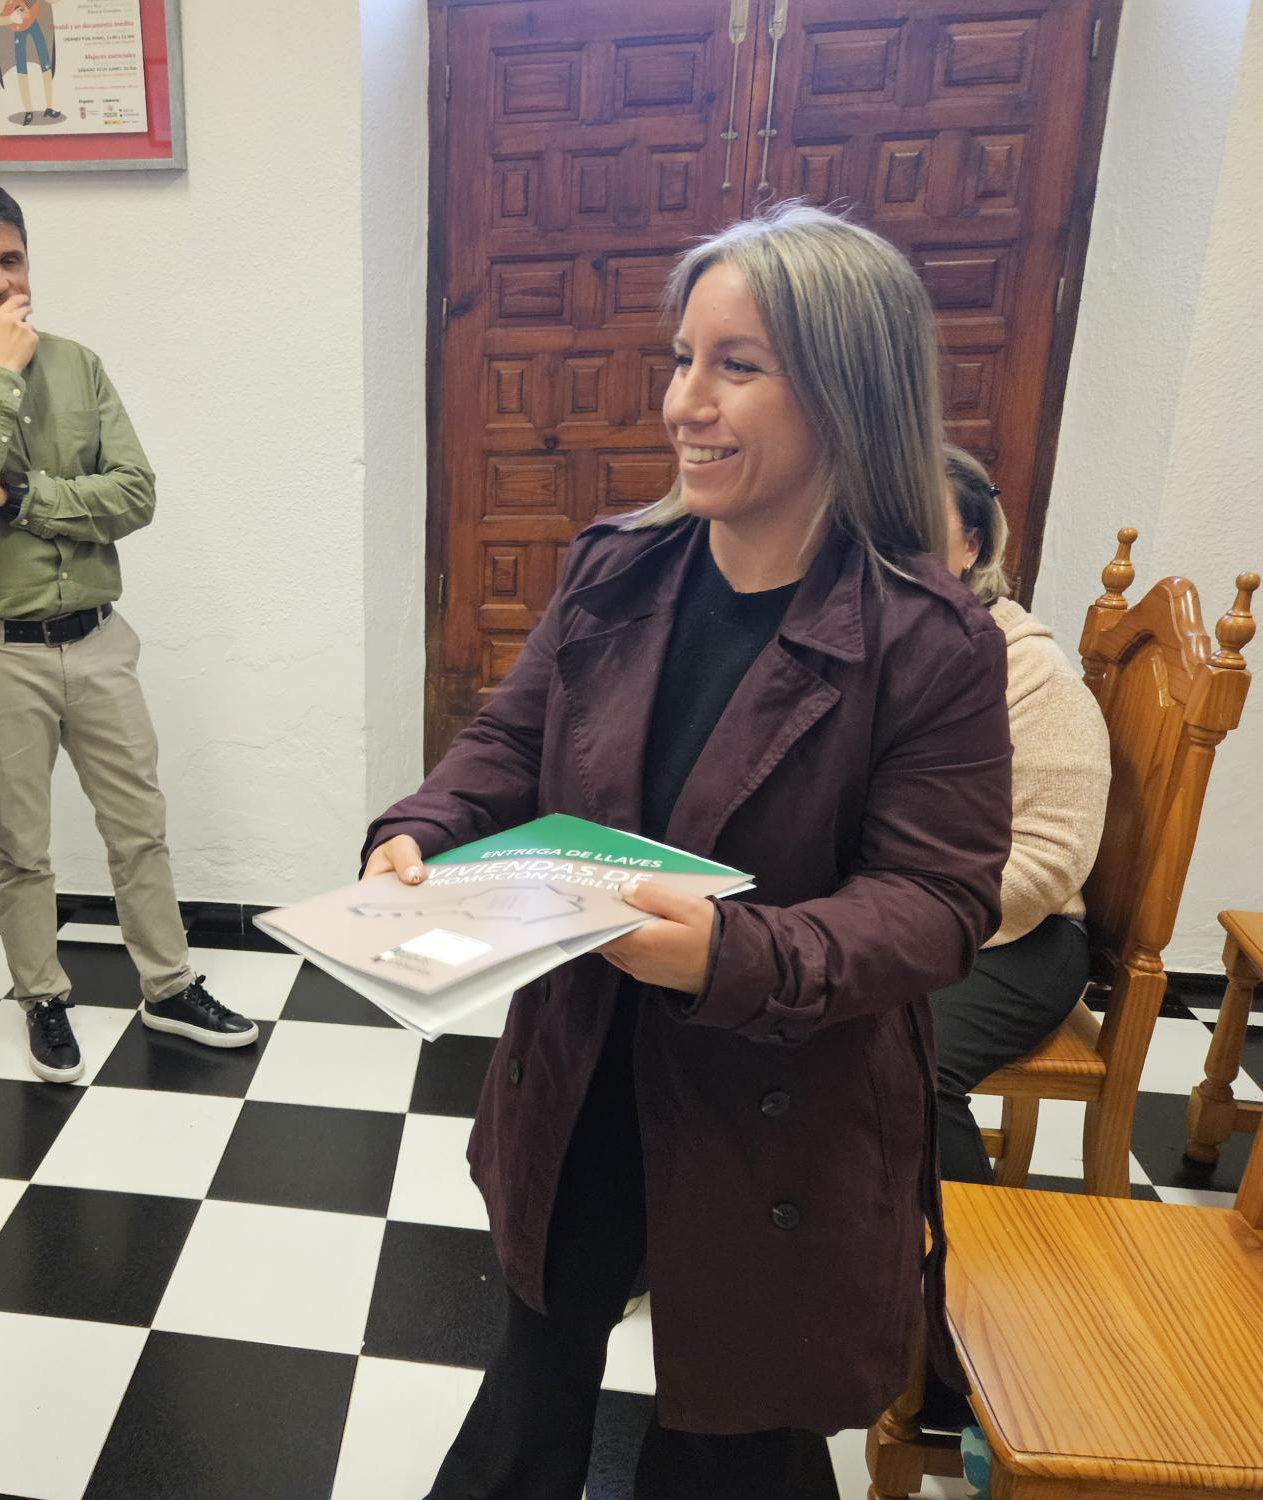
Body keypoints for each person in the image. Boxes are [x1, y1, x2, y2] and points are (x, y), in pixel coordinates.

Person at [364, 203, 1013, 1499]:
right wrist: (421, 826)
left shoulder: (928, 640)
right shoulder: (618, 570)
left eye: (737, 366)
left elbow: (940, 900)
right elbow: (512, 735)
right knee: (538, 1368)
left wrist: (742, 953)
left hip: (779, 1103)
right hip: (588, 1058)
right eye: (682, 358)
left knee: (735, 1433)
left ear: (846, 391)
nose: (683, 403)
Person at [0, 172, 256, 1084]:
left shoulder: (81, 365)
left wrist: (24, 494)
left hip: (96, 640)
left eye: (10, 259)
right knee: (20, 845)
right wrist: (1, 377)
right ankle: (42, 994)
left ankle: (167, 987)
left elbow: (135, 494)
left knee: (140, 825)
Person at [931, 445, 1110, 1183]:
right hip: (881, 918)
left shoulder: (1025, 667)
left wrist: (899, 924)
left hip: (1013, 933)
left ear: (972, 544)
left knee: (893, 1063)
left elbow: (1049, 856)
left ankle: (945, 1281)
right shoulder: (845, 645)